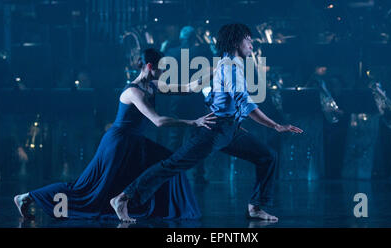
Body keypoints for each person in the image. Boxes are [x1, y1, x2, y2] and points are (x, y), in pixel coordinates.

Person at [110, 23, 303, 222]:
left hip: (230, 129)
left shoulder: (230, 65)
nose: (252, 45)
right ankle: (123, 197)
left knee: (267, 156)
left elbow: (216, 98)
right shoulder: (229, 68)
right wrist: (276, 126)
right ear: (237, 42)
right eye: (248, 40)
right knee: (173, 164)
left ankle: (255, 207)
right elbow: (245, 103)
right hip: (215, 130)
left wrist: (234, 120)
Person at [14, 48, 215, 221]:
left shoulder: (153, 86)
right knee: (85, 189)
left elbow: (189, 88)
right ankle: (27, 197)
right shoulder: (133, 92)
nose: (164, 72)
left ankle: (162, 209)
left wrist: (214, 71)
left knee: (170, 163)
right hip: (117, 144)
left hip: (135, 143)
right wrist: (193, 122)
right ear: (149, 67)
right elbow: (158, 121)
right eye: (162, 68)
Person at [164, 26, 212, 183]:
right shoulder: (201, 53)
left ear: (180, 38)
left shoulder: (170, 53)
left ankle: (169, 173)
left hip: (176, 99)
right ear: (193, 38)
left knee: (174, 138)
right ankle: (199, 175)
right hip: (195, 99)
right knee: (197, 138)